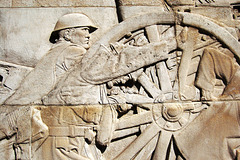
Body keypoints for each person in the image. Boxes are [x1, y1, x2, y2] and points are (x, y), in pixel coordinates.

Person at [4, 13, 97, 105]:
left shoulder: (57, 50)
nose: (88, 35)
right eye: (84, 30)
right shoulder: (73, 51)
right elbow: (94, 75)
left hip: (19, 107)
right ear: (67, 34)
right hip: (28, 110)